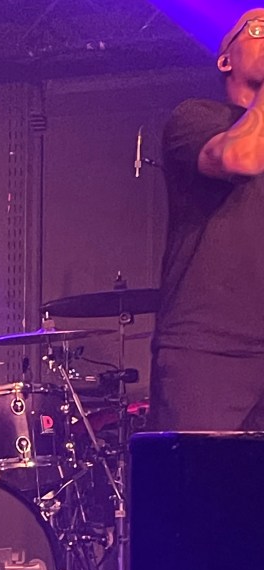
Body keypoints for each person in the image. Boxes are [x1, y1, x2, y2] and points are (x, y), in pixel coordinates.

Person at [148, 9, 264, 431]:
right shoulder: (195, 118)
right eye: (260, 28)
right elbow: (240, 157)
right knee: (203, 474)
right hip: (208, 351)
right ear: (225, 59)